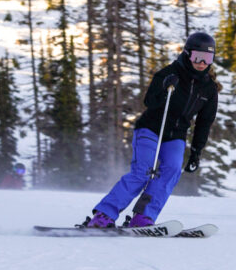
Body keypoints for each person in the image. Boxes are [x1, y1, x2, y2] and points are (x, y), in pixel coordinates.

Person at [83, 32, 220, 228]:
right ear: (188, 54)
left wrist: (196, 152)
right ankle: (104, 214)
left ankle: (143, 216)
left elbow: (204, 123)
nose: (202, 63)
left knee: (172, 170)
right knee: (143, 171)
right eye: (197, 57)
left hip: (176, 135)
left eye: (208, 58)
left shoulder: (209, 89)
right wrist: (165, 89)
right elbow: (149, 101)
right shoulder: (169, 74)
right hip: (151, 128)